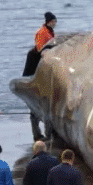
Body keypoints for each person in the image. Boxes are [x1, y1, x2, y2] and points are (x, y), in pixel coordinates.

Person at [24, 12, 57, 141]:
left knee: (43, 105)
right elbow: (40, 49)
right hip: (33, 72)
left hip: (41, 70)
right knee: (36, 106)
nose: (55, 23)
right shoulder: (42, 32)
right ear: (49, 21)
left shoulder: (49, 32)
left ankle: (47, 134)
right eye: (54, 21)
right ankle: (38, 134)